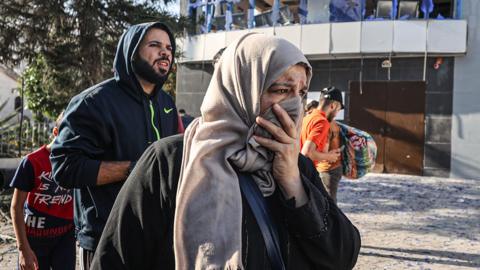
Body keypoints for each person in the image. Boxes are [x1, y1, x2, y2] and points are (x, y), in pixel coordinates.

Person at [92, 34, 360, 269]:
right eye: (281, 89)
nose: (294, 106)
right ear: (241, 89)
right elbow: (115, 260)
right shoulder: (171, 162)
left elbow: (341, 257)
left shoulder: (296, 166)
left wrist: (293, 183)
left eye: (301, 93)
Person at [50, 22, 183, 269]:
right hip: (107, 238)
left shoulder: (167, 104)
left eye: (168, 47)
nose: (165, 52)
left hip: (159, 237)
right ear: (131, 52)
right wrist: (138, 171)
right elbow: (65, 168)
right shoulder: (94, 102)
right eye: (154, 45)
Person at [10, 112, 75, 270]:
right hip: (33, 240)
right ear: (55, 132)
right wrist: (23, 249)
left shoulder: (77, 163)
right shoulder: (32, 162)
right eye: (68, 135)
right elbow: (16, 207)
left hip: (64, 237)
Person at [300, 86, 344, 202]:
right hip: (305, 174)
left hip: (298, 172)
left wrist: (327, 153)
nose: (337, 113)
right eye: (338, 109)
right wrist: (329, 157)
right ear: (333, 106)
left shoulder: (307, 118)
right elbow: (307, 152)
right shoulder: (322, 121)